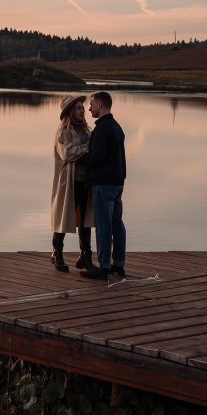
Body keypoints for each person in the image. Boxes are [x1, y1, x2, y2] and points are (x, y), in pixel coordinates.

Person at [80, 91, 126, 280]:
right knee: (117, 223)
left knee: (103, 225)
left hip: (103, 184)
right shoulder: (116, 127)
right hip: (117, 183)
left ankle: (103, 267)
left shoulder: (101, 129)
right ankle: (119, 265)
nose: (89, 108)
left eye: (91, 104)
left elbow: (97, 157)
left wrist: (80, 158)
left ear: (100, 105)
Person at [50, 94, 94, 272]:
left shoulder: (87, 130)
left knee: (85, 220)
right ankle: (57, 253)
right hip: (68, 182)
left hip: (85, 182)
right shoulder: (63, 132)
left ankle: (85, 257)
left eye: (82, 107)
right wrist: (87, 148)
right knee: (63, 217)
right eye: (78, 108)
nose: (82, 110)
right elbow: (68, 153)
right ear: (69, 112)